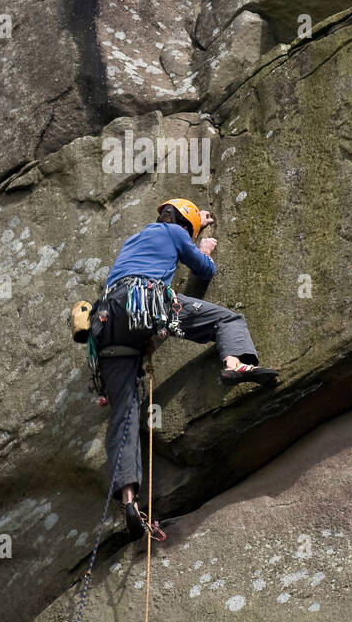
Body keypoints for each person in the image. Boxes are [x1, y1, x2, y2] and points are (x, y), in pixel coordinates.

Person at [90, 198, 278, 539]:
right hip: (143, 302)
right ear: (185, 225)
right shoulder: (175, 233)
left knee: (125, 413)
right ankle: (235, 364)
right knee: (228, 319)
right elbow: (205, 270)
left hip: (107, 324)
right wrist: (201, 246)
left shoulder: (133, 241)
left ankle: (129, 500)